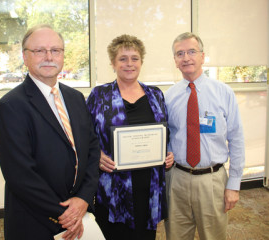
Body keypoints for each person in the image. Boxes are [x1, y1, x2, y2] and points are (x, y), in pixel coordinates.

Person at [0, 24, 100, 240]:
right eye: (39, 50)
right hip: (36, 221)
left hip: (80, 213)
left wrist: (83, 199)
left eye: (55, 50)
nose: (49, 56)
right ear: (25, 56)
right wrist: (64, 214)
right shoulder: (11, 106)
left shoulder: (75, 98)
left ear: (62, 55)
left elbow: (92, 149)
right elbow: (20, 175)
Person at [86, 34, 174, 240]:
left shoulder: (155, 94)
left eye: (134, 58)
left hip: (148, 185)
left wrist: (168, 153)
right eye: (122, 58)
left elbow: (164, 132)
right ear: (113, 63)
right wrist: (96, 155)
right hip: (113, 186)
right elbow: (85, 135)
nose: (129, 64)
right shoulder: (99, 95)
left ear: (141, 62)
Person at [164, 32, 245, 240]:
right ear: (175, 61)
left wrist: (234, 184)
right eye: (179, 53)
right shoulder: (168, 97)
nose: (186, 58)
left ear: (203, 56)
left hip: (212, 181)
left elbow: (236, 139)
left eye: (192, 51)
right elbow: (165, 136)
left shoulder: (224, 92)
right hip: (177, 179)